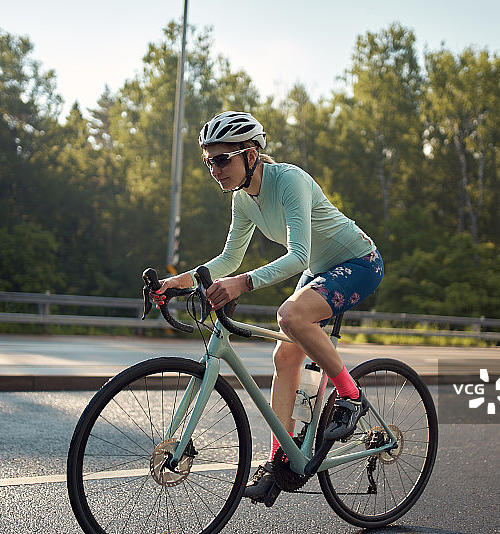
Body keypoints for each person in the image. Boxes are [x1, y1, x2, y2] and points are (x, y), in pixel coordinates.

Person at [153, 111, 384, 504]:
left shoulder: (289, 181)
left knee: (290, 316)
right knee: (284, 356)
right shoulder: (243, 200)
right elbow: (228, 260)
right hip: (321, 270)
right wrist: (177, 282)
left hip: (360, 262)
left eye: (223, 159)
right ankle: (281, 461)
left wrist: (243, 283)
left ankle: (351, 395)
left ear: (252, 153)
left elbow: (297, 256)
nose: (215, 169)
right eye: (209, 161)